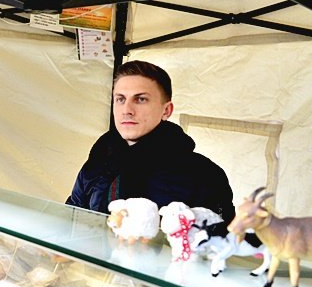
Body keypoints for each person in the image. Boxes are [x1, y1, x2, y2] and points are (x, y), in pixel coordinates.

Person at [66, 60, 235, 229]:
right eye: (120, 99)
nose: (127, 110)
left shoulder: (204, 175)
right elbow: (68, 222)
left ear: (166, 111)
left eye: (140, 99)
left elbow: (220, 245)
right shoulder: (97, 162)